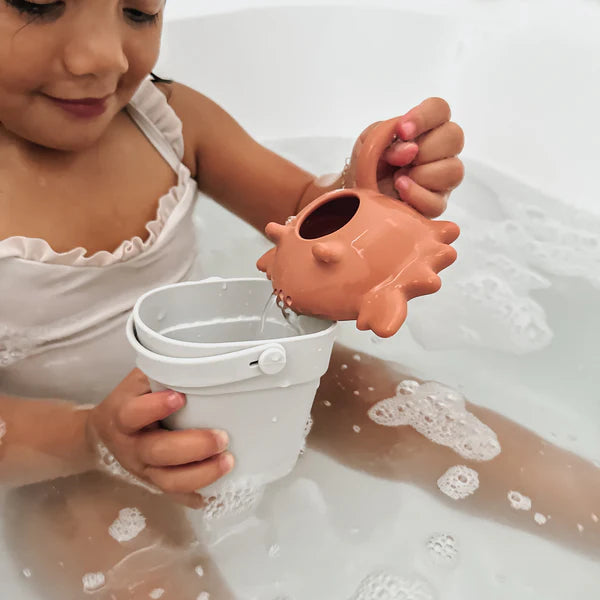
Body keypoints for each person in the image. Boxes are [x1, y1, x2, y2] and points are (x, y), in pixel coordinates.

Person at [6, 2, 593, 599]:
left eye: (138, 11)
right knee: (122, 559)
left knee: (414, 416)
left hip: (249, 370)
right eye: (40, 3)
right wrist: (90, 440)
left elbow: (302, 219)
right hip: (62, 450)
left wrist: (365, 199)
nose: (104, 57)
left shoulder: (166, 119)